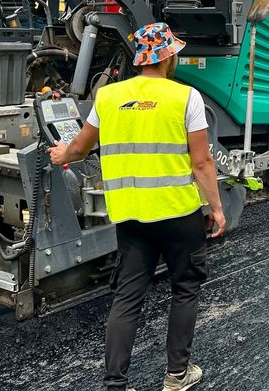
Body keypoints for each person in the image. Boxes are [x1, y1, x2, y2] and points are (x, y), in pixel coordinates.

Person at [49, 22, 225, 391]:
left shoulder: (109, 97)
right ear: (168, 56)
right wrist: (216, 208)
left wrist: (59, 153)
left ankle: (116, 384)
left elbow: (79, 149)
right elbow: (202, 163)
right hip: (179, 214)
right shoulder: (186, 97)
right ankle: (177, 376)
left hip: (130, 217)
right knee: (185, 288)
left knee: (127, 297)